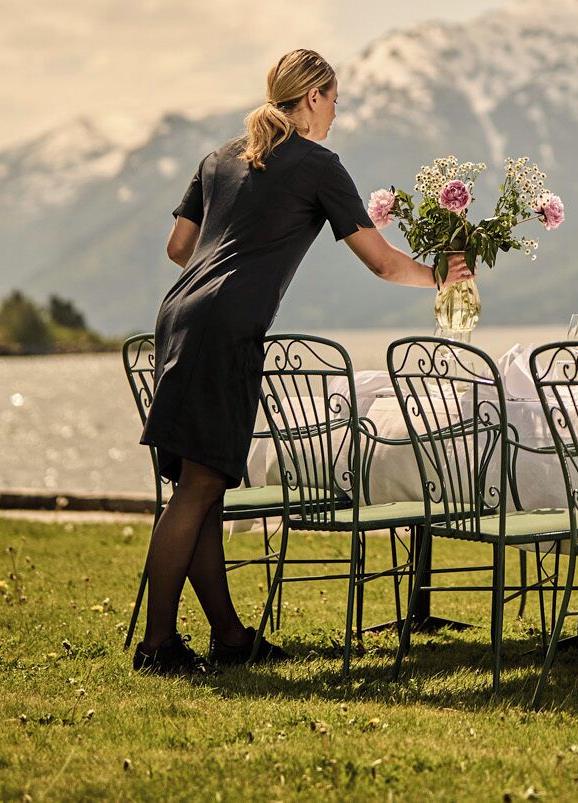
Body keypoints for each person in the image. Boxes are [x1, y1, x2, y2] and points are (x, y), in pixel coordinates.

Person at [132, 46, 461, 675]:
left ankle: (229, 639)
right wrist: (443, 281)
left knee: (201, 488)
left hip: (178, 316)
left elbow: (179, 246)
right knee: (200, 487)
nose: (335, 114)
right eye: (333, 101)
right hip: (225, 331)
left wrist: (222, 269)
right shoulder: (317, 165)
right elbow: (385, 262)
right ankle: (157, 648)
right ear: (311, 97)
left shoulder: (218, 157)